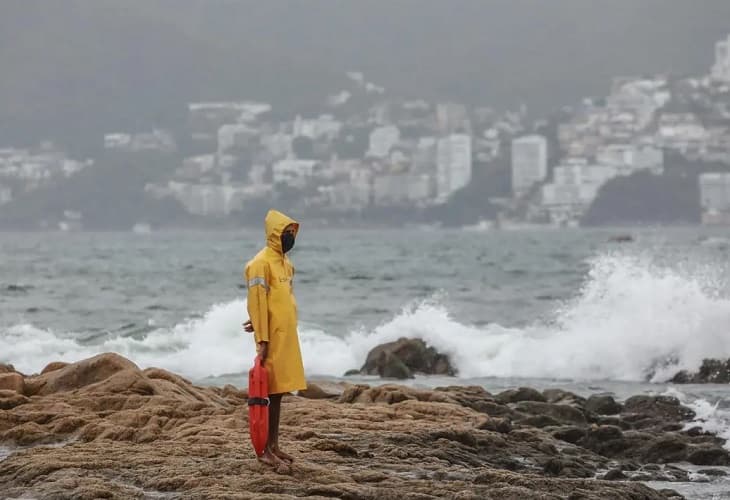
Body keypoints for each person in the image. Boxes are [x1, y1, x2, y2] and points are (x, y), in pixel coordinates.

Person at [243, 209, 306, 472]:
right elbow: (256, 301)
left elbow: (280, 300)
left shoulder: (285, 263)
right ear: (274, 234)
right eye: (286, 233)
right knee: (268, 393)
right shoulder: (260, 263)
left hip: (287, 335)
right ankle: (264, 451)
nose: (290, 237)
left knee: (279, 392)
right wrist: (262, 336)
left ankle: (274, 445)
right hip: (272, 338)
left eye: (292, 232)